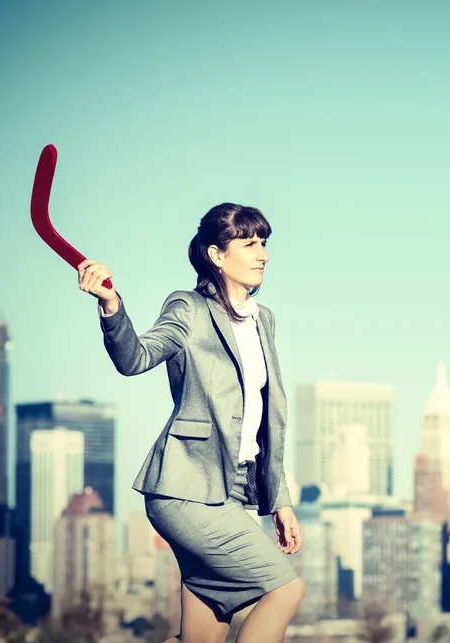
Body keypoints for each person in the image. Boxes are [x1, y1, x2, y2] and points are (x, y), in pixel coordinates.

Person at [77, 202, 304, 643]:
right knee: (285, 588)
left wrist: (281, 499)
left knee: (205, 633)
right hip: (185, 491)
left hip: (234, 491)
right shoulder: (189, 308)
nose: (264, 254)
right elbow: (134, 358)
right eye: (250, 244)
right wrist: (110, 303)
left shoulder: (264, 320)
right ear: (217, 255)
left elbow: (264, 420)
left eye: (265, 244)